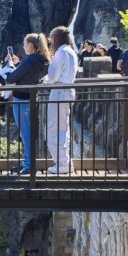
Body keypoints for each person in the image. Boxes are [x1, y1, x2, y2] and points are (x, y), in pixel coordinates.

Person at [5, 33, 50, 174]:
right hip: (29, 98)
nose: (24, 47)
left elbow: (12, 78)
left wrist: (10, 66)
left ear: (30, 45)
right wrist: (18, 64)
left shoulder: (30, 60)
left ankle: (29, 165)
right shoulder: (41, 59)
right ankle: (27, 162)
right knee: (27, 133)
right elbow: (27, 74)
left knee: (25, 134)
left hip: (21, 99)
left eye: (25, 44)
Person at [44, 26, 79, 174]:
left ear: (56, 38)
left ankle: (62, 164)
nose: (50, 42)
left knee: (52, 129)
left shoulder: (60, 52)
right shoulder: (71, 51)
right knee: (63, 129)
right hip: (68, 90)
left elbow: (52, 76)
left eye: (52, 39)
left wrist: (44, 80)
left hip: (59, 91)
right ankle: (65, 162)